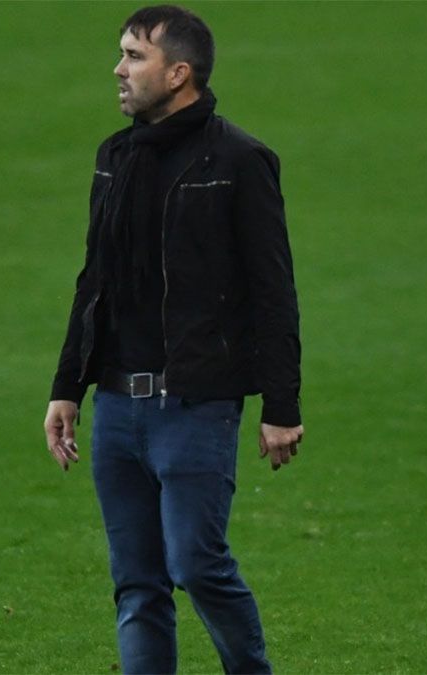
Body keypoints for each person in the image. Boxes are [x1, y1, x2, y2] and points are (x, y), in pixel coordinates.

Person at [42, 5, 304, 673]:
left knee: (195, 563)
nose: (118, 69)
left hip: (194, 404)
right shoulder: (115, 156)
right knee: (136, 582)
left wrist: (281, 405)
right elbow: (94, 276)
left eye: (134, 56)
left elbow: (273, 290)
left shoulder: (240, 161)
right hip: (117, 405)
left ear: (179, 73)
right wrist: (67, 386)